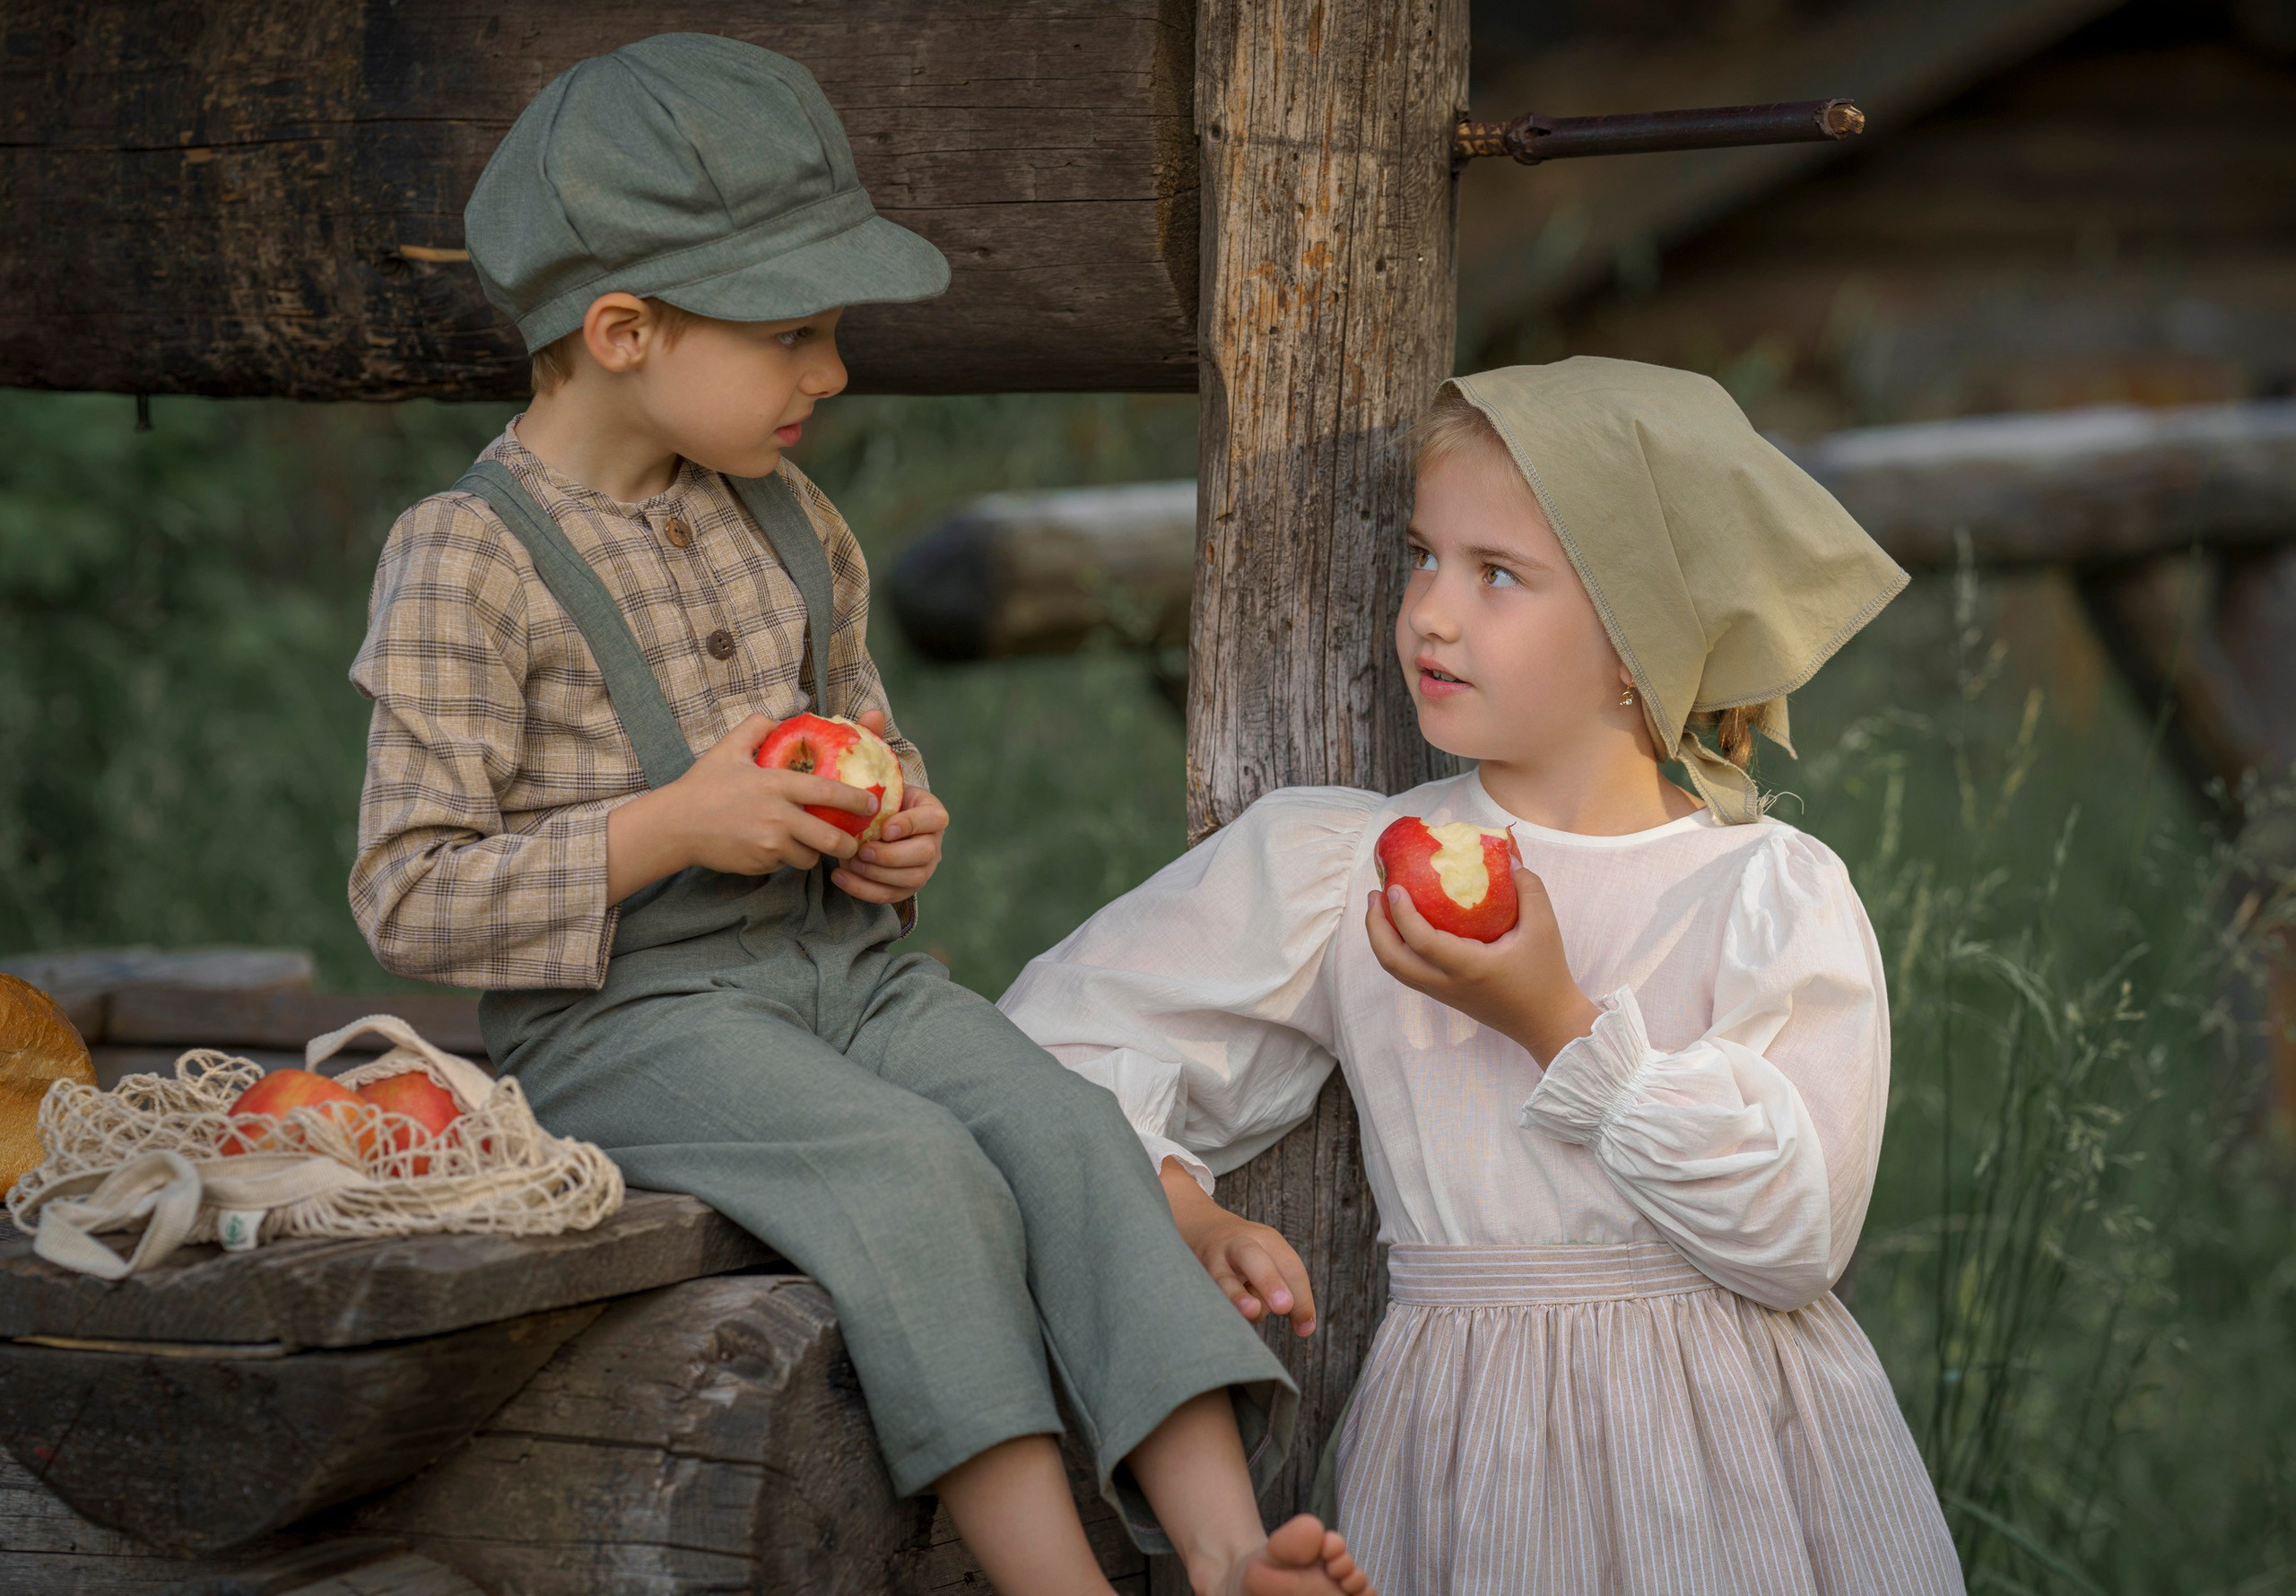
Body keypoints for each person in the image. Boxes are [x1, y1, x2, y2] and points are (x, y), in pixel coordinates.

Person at [346, 34, 1372, 1596]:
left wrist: (900, 838)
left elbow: (873, 744)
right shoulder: (465, 560)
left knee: (1066, 1127)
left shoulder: (791, 519)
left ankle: (1231, 1560)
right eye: (795, 335)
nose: (830, 372)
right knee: (915, 1173)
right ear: (624, 328)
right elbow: (409, 897)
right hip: (624, 1021)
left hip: (850, 977)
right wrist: (675, 826)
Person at [1000, 359, 1967, 1594]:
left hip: (1742, 1469)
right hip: (1474, 1449)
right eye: (1423, 556)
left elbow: (1791, 1234)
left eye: (1496, 575)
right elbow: (1047, 1044)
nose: (1429, 615)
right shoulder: (1340, 867)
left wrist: (1556, 1023)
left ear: (1638, 645)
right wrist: (1185, 1209)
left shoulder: (1765, 892)